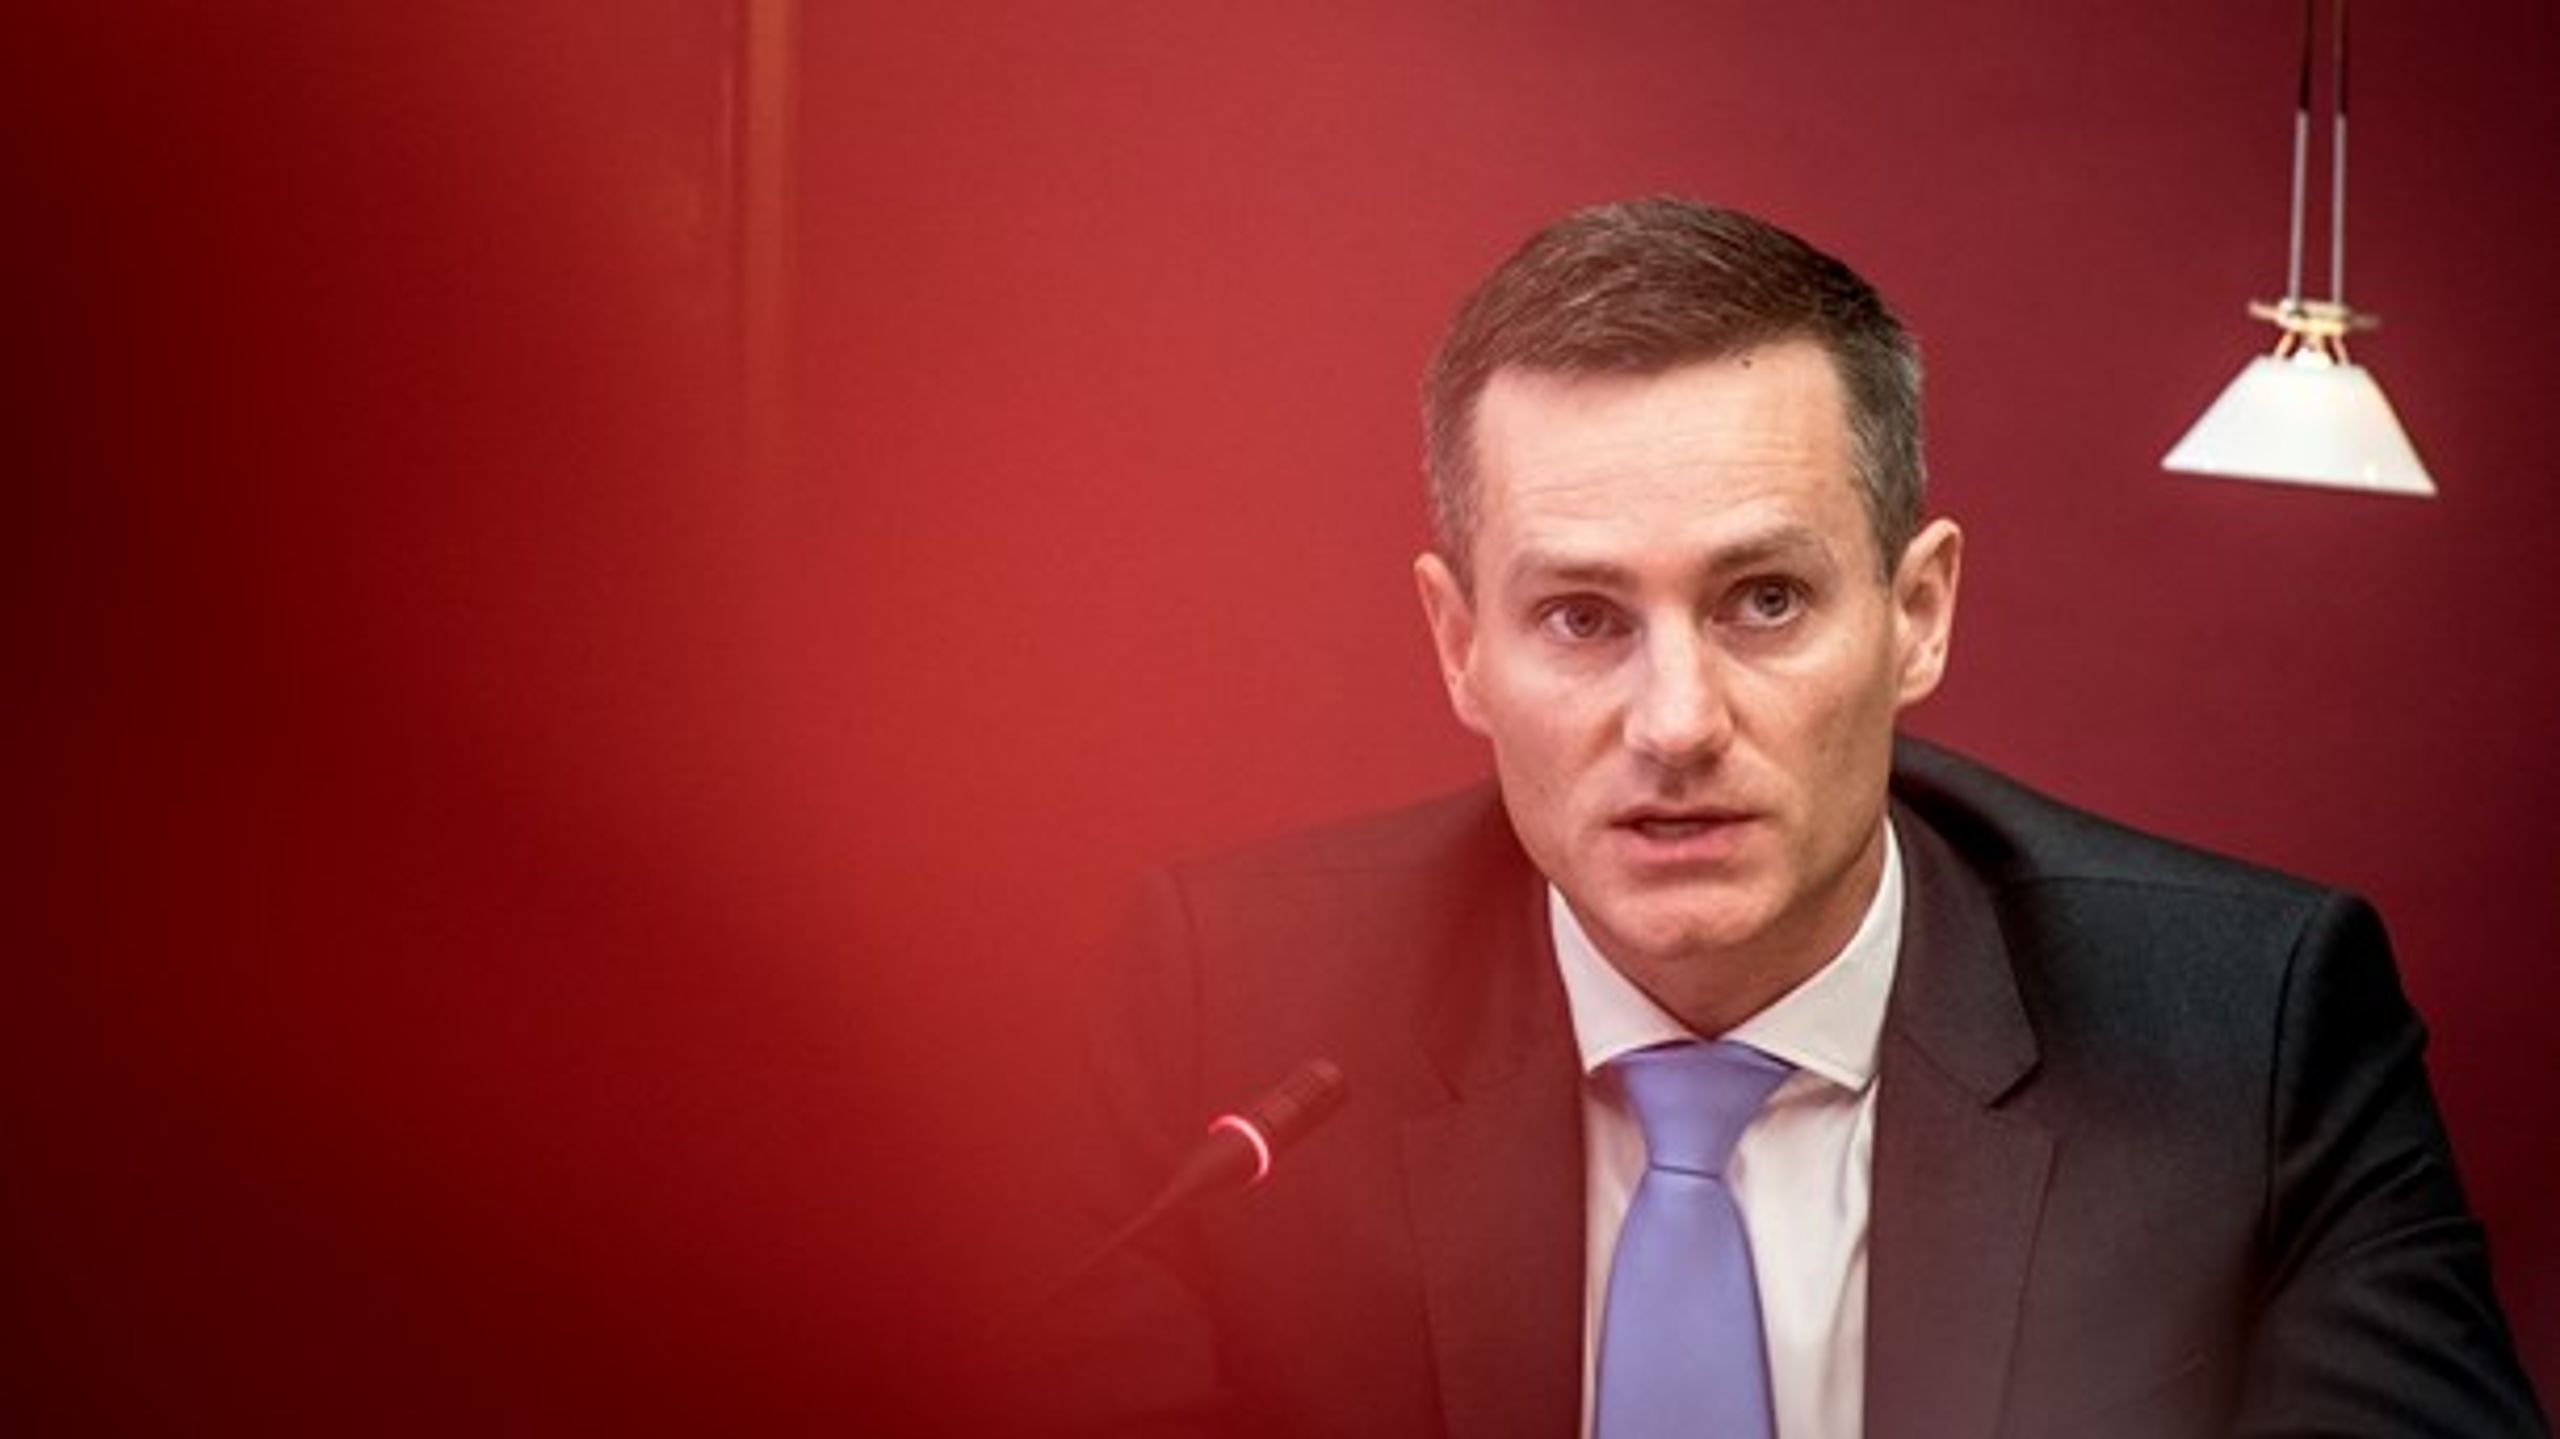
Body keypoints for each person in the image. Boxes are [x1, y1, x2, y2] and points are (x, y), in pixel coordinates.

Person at [1025, 198, 2546, 1437]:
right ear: (1458, 646)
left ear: (1918, 613)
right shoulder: (1228, 1003)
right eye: (1579, 618)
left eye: (1763, 600)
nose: (1677, 722)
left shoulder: (2249, 1028)